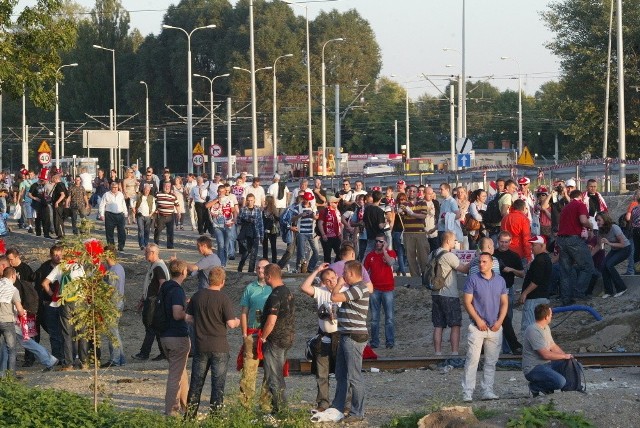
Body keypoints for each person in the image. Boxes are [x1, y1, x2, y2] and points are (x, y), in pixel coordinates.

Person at [185, 267, 240, 419]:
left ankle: (189, 417)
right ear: (222, 282)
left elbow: (187, 318)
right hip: (219, 347)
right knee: (218, 384)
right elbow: (230, 323)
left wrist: (200, 321)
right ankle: (215, 417)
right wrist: (238, 321)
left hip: (201, 346)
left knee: (196, 383)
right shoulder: (224, 299)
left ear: (209, 280)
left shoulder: (197, 296)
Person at [461, 252, 508, 402]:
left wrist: (500, 321)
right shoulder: (472, 279)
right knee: (472, 360)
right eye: (480, 262)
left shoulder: (500, 281)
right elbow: (467, 302)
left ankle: (487, 390)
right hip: (477, 327)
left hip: (495, 326)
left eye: (484, 262)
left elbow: (504, 302)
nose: (481, 264)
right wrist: (478, 320)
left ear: (491, 263)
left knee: (491, 361)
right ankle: (467, 392)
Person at [329, 260, 370, 424]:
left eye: (344, 272)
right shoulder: (354, 289)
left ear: (351, 274)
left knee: (354, 376)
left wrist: (338, 283)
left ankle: (357, 412)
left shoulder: (359, 288)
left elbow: (334, 296)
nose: (342, 275)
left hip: (354, 336)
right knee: (340, 374)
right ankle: (338, 406)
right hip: (346, 335)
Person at [299, 264, 341, 413]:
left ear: (337, 277)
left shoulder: (345, 291)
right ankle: (323, 402)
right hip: (324, 336)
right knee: (322, 373)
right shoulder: (321, 292)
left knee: (341, 373)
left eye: (333, 278)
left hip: (340, 336)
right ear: (323, 282)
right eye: (327, 280)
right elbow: (304, 287)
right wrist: (316, 270)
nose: (331, 282)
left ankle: (342, 403)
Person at [41, 252, 88, 370]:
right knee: (82, 333)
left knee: (67, 334)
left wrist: (53, 295)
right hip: (80, 302)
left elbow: (44, 283)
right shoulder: (79, 266)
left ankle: (68, 363)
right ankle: (84, 362)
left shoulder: (59, 267)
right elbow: (85, 285)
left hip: (65, 303)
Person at [259, 264, 295, 416]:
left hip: (276, 339)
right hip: (287, 336)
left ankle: (281, 411)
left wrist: (263, 336)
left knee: (274, 376)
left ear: (268, 276)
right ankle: (276, 408)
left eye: (264, 275)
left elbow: (271, 321)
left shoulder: (275, 295)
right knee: (277, 373)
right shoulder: (287, 291)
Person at [158, 259, 190, 416]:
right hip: (177, 336)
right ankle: (172, 411)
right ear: (184, 272)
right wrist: (190, 315)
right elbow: (177, 314)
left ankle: (187, 406)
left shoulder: (165, 287)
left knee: (181, 371)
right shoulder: (177, 290)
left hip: (164, 335)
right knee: (175, 376)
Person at [238, 259, 272, 408]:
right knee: (248, 372)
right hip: (253, 333)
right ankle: (246, 407)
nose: (260, 270)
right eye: (258, 267)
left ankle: (265, 405)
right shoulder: (250, 288)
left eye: (263, 268)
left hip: (270, 335)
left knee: (269, 372)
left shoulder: (274, 288)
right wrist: (244, 334)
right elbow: (244, 312)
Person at [430, 231, 470, 355]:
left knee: (438, 325)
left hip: (435, 293)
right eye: (454, 240)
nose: (455, 242)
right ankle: (454, 352)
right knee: (455, 324)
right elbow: (463, 269)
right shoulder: (448, 255)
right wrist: (473, 261)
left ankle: (437, 352)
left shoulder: (432, 254)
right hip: (449, 294)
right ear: (448, 241)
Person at [522, 303, 574, 397]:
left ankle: (568, 389)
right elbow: (545, 355)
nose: (551, 316)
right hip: (534, 368)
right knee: (560, 382)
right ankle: (535, 386)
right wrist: (564, 356)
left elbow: (552, 346)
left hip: (546, 364)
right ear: (546, 317)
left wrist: (567, 357)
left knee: (570, 364)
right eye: (550, 315)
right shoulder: (533, 330)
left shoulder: (546, 327)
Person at [557, 189, 594, 306]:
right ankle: (578, 293)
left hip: (561, 239)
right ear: (581, 197)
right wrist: (591, 226)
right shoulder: (580, 204)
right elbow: (583, 220)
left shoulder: (565, 208)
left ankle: (566, 299)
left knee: (565, 271)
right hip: (573, 239)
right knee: (588, 266)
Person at [133, 244, 169, 361]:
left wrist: (157, 300)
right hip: (152, 300)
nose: (145, 254)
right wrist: (142, 300)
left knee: (151, 327)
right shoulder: (154, 266)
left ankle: (145, 353)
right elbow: (150, 286)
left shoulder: (158, 267)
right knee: (155, 328)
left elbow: (162, 284)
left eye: (146, 252)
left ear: (153, 253)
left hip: (154, 302)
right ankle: (163, 352)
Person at [363, 233, 397, 349]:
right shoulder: (370, 256)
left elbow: (391, 262)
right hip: (375, 290)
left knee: (389, 318)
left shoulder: (390, 253)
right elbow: (364, 271)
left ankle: (390, 342)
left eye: (381, 241)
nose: (378, 243)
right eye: (377, 241)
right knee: (374, 318)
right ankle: (374, 342)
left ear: (385, 243)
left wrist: (385, 251)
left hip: (388, 289)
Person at [493, 231, 525, 354]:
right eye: (502, 242)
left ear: (510, 242)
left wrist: (511, 269)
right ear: (498, 241)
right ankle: (496, 348)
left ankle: (506, 349)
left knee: (507, 320)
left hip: (507, 290)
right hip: (493, 292)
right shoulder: (493, 254)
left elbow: (522, 274)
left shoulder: (514, 256)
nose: (504, 244)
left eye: (506, 242)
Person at [32, 244, 64, 362]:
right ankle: (56, 357)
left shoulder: (65, 266)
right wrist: (51, 295)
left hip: (63, 303)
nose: (58, 257)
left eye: (60, 254)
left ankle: (66, 356)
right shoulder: (44, 267)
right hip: (48, 303)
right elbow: (40, 283)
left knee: (64, 331)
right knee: (53, 332)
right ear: (51, 255)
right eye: (55, 255)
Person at [518, 236, 552, 336]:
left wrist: (524, 293)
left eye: (534, 245)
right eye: (531, 245)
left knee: (529, 327)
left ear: (543, 245)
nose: (532, 247)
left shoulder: (540, 260)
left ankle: (529, 350)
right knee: (540, 328)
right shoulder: (546, 259)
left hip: (534, 298)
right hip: (543, 297)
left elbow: (536, 281)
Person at [0, 267, 27, 377]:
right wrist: (22, 313)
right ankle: (11, 376)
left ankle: (2, 375)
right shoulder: (13, 289)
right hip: (7, 321)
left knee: (1, 349)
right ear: (13, 276)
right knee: (11, 349)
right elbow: (19, 309)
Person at [102, 245, 126, 367]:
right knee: (114, 331)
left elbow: (109, 290)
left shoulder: (113, 271)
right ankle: (120, 358)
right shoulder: (119, 267)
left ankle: (115, 359)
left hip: (113, 303)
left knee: (112, 333)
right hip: (119, 301)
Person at [596, 211, 630, 298]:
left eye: (599, 220)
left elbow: (622, 244)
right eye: (596, 220)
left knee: (609, 264)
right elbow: (600, 246)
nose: (597, 222)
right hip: (615, 249)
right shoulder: (600, 231)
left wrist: (609, 243)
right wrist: (592, 251)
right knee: (603, 265)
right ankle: (609, 291)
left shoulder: (614, 228)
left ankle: (621, 288)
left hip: (625, 249)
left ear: (604, 219)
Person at [400, 185, 431, 278]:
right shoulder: (404, 204)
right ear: (407, 192)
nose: (412, 193)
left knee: (423, 257)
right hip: (407, 233)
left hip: (420, 232)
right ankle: (415, 279)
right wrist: (401, 211)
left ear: (417, 193)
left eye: (414, 191)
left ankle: (426, 278)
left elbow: (423, 216)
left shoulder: (422, 202)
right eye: (410, 191)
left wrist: (412, 214)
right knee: (410, 258)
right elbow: (401, 211)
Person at [237, 194, 264, 273]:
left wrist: (262, 236)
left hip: (256, 233)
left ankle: (250, 272)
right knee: (246, 252)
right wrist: (246, 219)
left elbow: (260, 223)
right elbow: (238, 221)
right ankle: (240, 266)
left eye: (251, 200)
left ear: (254, 200)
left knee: (254, 254)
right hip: (246, 233)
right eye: (248, 200)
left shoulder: (258, 210)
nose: (250, 202)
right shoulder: (243, 209)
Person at [500, 198, 532, 264]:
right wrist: (528, 256)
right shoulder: (524, 219)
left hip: (505, 250)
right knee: (519, 272)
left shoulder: (505, 218)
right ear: (523, 208)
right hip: (519, 252)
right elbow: (526, 239)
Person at [294, 192, 319, 272]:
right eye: (306, 199)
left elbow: (317, 217)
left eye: (308, 200)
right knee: (301, 252)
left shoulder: (314, 207)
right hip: (301, 232)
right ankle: (301, 267)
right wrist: (301, 215)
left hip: (311, 232)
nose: (307, 201)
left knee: (316, 252)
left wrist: (313, 216)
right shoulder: (298, 207)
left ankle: (310, 268)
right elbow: (292, 218)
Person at [99, 181, 128, 251]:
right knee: (109, 233)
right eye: (113, 187)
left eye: (116, 187)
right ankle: (111, 248)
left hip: (120, 215)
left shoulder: (121, 194)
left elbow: (123, 204)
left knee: (122, 232)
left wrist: (126, 213)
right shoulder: (106, 194)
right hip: (110, 215)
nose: (115, 189)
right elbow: (102, 205)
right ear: (110, 187)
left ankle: (121, 246)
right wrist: (101, 214)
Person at [28, 169, 52, 239]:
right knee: (38, 220)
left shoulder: (46, 185)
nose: (45, 181)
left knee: (46, 219)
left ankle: (46, 234)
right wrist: (34, 198)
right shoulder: (34, 185)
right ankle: (38, 233)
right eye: (44, 180)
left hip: (45, 204)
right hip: (37, 205)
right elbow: (29, 194)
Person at [154, 181, 179, 249]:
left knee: (170, 231)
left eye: (168, 186)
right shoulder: (158, 194)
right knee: (158, 230)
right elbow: (154, 203)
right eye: (165, 186)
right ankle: (156, 243)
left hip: (170, 216)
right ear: (163, 186)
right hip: (161, 215)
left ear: (170, 187)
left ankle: (170, 245)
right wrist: (155, 210)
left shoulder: (173, 196)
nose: (167, 188)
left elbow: (177, 205)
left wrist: (178, 213)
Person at [318, 195, 342, 263]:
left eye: (337, 202)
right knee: (327, 256)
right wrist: (323, 234)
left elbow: (340, 223)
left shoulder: (337, 211)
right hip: (327, 236)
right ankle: (327, 271)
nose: (337, 204)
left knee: (339, 254)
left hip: (336, 236)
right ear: (331, 203)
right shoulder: (324, 211)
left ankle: (334, 267)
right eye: (335, 202)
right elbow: (320, 223)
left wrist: (341, 233)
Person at [134, 184, 156, 250]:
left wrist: (151, 214)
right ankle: (142, 244)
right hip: (140, 215)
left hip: (148, 216)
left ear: (149, 190)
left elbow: (154, 207)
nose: (147, 191)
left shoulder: (152, 197)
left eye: (148, 190)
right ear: (143, 189)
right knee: (141, 230)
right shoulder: (139, 196)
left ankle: (146, 244)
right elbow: (132, 200)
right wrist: (133, 209)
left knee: (147, 231)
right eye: (146, 189)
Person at [262, 195, 280, 263]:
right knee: (273, 246)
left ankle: (265, 259)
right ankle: (274, 261)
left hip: (266, 228)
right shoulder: (274, 209)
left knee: (265, 246)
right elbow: (277, 219)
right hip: (272, 230)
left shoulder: (265, 209)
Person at [50, 174, 68, 239]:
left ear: (56, 179)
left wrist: (57, 202)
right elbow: (67, 195)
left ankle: (61, 235)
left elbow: (63, 195)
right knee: (58, 219)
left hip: (59, 205)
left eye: (53, 179)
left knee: (58, 220)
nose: (52, 180)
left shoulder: (59, 185)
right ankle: (60, 234)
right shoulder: (62, 184)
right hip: (61, 204)